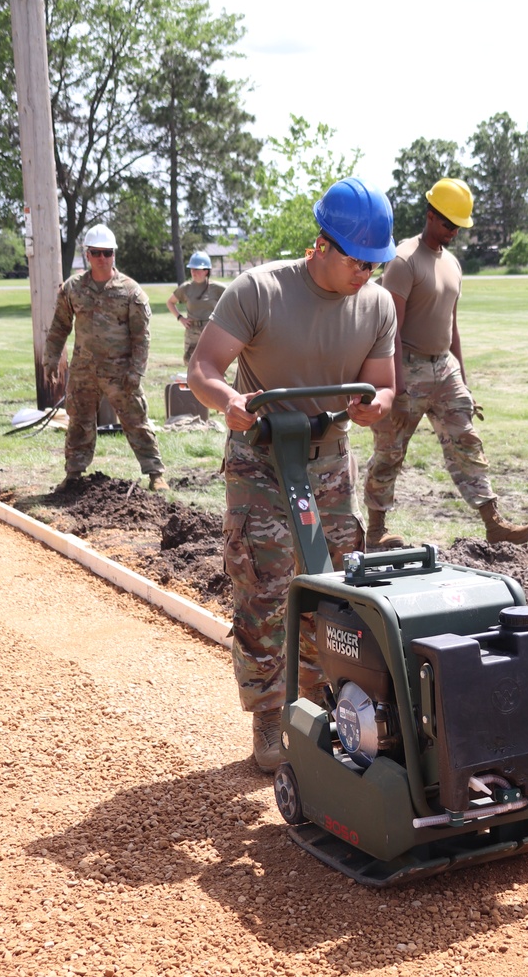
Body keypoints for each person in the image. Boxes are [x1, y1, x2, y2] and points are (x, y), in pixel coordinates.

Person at [187, 177, 397, 772]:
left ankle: (320, 712)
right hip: (261, 458)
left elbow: (382, 382)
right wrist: (225, 399)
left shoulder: (376, 303)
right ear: (322, 246)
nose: (369, 274)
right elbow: (203, 367)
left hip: (328, 463)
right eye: (360, 261)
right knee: (265, 588)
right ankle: (269, 720)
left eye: (377, 264)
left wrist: (376, 403)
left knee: (332, 592)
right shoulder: (259, 291)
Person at [363, 177, 528, 549]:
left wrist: (465, 380)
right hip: (405, 364)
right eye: (447, 224)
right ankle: (376, 531)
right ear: (429, 215)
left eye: (458, 226)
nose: (453, 232)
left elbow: (452, 326)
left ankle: (494, 522)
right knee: (390, 451)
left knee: (467, 440)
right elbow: (389, 328)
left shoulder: (454, 264)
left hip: (444, 368)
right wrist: (394, 387)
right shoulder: (403, 260)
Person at [44, 224, 166, 490]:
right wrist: (51, 358)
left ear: (114, 255)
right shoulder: (73, 288)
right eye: (96, 252)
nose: (102, 258)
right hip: (83, 370)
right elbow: (59, 326)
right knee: (79, 421)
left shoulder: (130, 291)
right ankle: (74, 474)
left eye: (107, 253)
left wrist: (137, 371)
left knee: (135, 420)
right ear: (87, 254)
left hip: (120, 371)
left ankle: (155, 474)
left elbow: (141, 337)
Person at [165, 251, 226, 365]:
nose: (194, 272)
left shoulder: (217, 288)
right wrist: (180, 318)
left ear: (206, 271)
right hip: (192, 331)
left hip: (210, 330)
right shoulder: (186, 288)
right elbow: (170, 302)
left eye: (197, 269)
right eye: (192, 269)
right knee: (191, 364)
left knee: (212, 363)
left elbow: (232, 300)